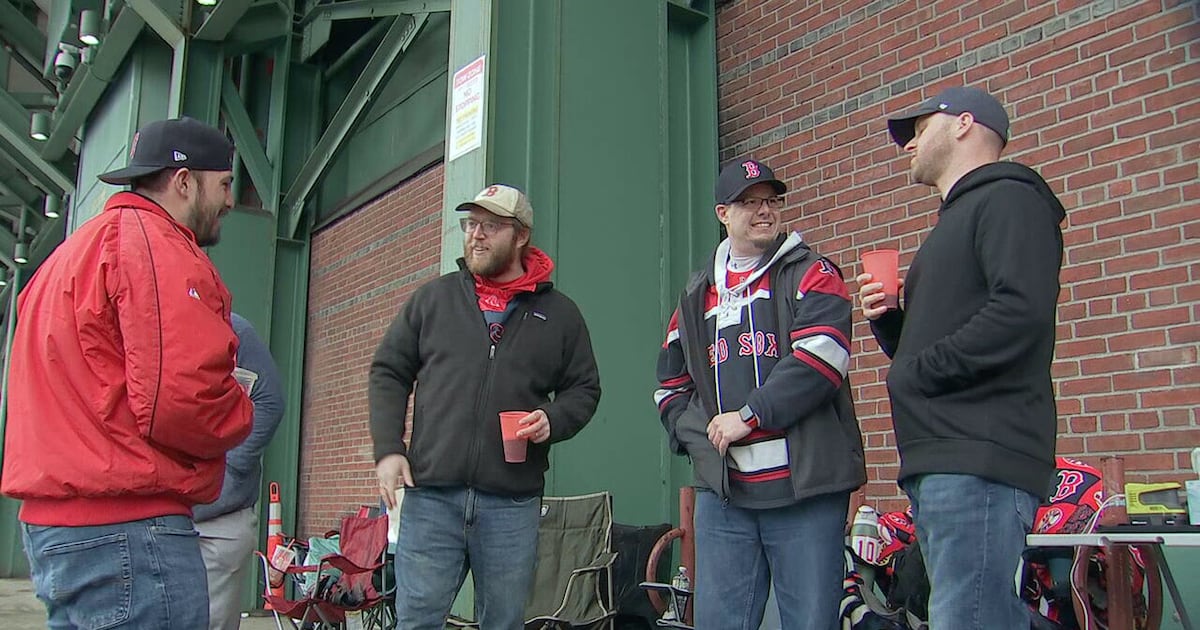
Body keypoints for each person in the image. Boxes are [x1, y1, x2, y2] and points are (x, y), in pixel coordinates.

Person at [1, 116, 254, 629]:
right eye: (224, 184)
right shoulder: (158, 247)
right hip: (129, 533)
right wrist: (241, 407)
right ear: (184, 182)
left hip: (56, 532)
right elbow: (184, 399)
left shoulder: (66, 257)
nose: (230, 201)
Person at [857, 85, 1065, 629]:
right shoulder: (952, 224)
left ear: (964, 124)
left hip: (978, 457)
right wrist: (891, 323)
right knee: (977, 613)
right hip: (945, 460)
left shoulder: (1010, 199)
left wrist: (915, 372)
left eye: (920, 129)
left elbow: (1019, 314)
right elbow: (931, 350)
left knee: (967, 617)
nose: (909, 145)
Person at [369, 184, 601, 630]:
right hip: (432, 497)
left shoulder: (560, 315)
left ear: (520, 236)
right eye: (470, 224)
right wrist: (388, 448)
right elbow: (389, 370)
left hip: (512, 503)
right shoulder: (433, 300)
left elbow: (584, 389)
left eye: (490, 226)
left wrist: (552, 419)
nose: (476, 235)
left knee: (504, 623)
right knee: (416, 621)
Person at [654, 158, 866, 630]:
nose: (763, 211)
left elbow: (822, 359)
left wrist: (748, 416)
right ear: (722, 213)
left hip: (805, 493)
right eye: (748, 202)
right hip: (725, 496)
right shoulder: (697, 295)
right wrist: (701, 441)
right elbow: (669, 386)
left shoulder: (814, 272)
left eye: (771, 201)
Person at [195, 312, 286, 630]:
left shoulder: (231, 330)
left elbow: (268, 401)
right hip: (151, 516)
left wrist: (231, 473)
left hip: (217, 519)